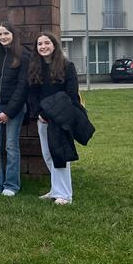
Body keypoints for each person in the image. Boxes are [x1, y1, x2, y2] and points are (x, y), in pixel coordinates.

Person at [27, 31, 82, 205]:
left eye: (46, 43)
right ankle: (56, 189)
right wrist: (39, 113)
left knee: (60, 154)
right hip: (42, 118)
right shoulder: (35, 67)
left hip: (60, 118)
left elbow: (71, 94)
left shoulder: (67, 66)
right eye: (40, 44)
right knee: (48, 154)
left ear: (54, 45)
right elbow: (33, 94)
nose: (43, 46)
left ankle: (65, 195)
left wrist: (51, 113)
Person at [0, 21, 31, 196]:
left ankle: (11, 185)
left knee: (11, 146)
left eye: (6, 33)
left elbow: (22, 86)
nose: (3, 37)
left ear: (13, 35)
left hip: (14, 109)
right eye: (0, 34)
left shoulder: (24, 56)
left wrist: (8, 112)